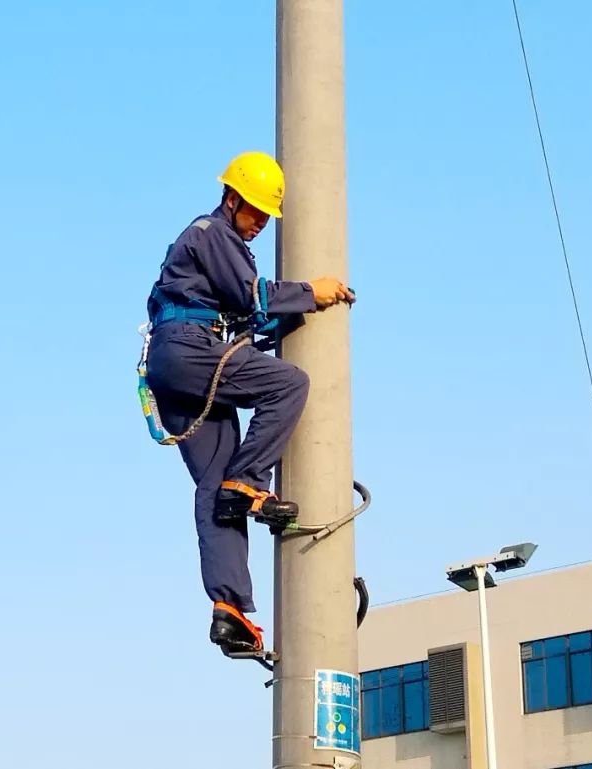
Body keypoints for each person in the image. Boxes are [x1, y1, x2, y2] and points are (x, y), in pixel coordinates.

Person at [144, 150, 355, 656]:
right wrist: (313, 292)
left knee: (216, 489)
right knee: (289, 385)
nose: (260, 223)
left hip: (175, 365)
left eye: (266, 215)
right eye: (255, 211)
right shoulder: (214, 233)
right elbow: (253, 297)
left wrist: (286, 315)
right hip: (190, 350)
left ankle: (229, 608)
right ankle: (251, 481)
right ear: (231, 198)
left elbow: (247, 319)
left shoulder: (205, 240)